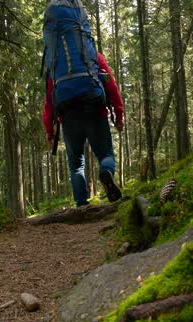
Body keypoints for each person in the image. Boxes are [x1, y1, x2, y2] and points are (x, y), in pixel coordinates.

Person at [43, 52, 124, 207]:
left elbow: (49, 100)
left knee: (76, 165)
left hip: (69, 117)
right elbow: (111, 85)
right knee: (105, 154)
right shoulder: (93, 54)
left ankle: (82, 205)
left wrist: (49, 130)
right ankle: (106, 171)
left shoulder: (54, 62)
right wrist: (119, 115)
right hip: (95, 111)